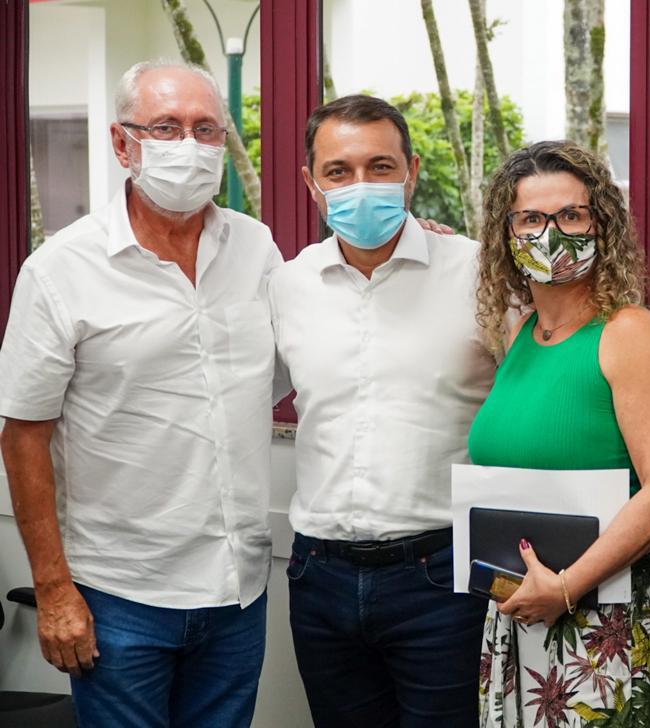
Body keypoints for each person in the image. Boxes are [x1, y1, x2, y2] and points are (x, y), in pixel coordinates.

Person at [0, 60, 280, 726]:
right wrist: (54, 589)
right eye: (167, 127)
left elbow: (311, 342)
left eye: (206, 128)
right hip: (120, 596)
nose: (190, 145)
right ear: (124, 144)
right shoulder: (60, 270)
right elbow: (23, 435)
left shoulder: (257, 248)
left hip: (238, 589)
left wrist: (407, 249)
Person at [269, 94, 496, 728]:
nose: (360, 186)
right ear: (310, 182)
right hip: (319, 576)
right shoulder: (288, 285)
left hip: (443, 576)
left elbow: (536, 398)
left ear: (412, 172)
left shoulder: (480, 273)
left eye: (380, 166)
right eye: (338, 171)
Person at [468, 140, 650, 726]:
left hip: (602, 623)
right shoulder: (518, 335)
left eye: (571, 215)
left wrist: (566, 588)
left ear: (602, 224)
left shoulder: (631, 334)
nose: (552, 233)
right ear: (507, 235)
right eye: (532, 219)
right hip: (517, 614)